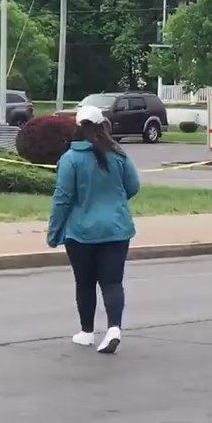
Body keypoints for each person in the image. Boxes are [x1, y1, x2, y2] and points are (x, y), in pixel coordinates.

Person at [46, 105, 141, 354]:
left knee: (85, 284)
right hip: (117, 229)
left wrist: (54, 231)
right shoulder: (118, 155)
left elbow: (62, 198)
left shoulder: (70, 159)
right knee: (112, 282)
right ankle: (114, 329)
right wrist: (115, 201)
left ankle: (87, 332)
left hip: (80, 232)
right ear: (103, 126)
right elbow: (133, 186)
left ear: (77, 127)